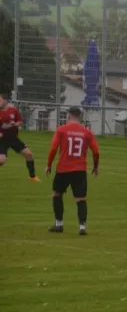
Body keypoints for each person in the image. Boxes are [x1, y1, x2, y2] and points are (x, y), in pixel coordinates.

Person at [46, 106, 100, 235]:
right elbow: (96, 151)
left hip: (63, 169)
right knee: (81, 198)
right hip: (80, 169)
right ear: (80, 117)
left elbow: (53, 148)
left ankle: (59, 224)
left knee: (57, 194)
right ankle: (82, 227)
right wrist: (95, 166)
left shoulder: (61, 130)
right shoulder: (87, 132)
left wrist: (49, 164)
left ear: (69, 116)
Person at [0, 93, 40, 182]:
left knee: (28, 154)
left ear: (5, 101)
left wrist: (15, 124)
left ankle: (32, 177)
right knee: (1, 161)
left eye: (0, 100)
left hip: (14, 139)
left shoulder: (13, 110)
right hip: (2, 141)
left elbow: (20, 121)